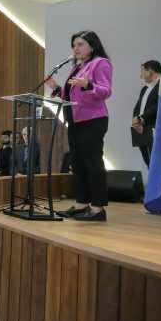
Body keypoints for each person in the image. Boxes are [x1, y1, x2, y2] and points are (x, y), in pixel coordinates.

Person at [46, 30, 113, 221]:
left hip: (92, 120)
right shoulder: (76, 67)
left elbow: (106, 91)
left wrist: (88, 85)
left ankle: (98, 208)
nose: (76, 48)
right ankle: (81, 204)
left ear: (92, 46)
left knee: (92, 163)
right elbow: (70, 96)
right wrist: (56, 88)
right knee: (78, 164)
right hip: (75, 121)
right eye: (74, 45)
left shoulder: (100, 63)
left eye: (80, 44)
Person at [131, 59, 161, 167]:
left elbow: (158, 106)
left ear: (150, 71)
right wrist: (136, 121)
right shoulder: (144, 89)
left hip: (155, 129)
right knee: (148, 162)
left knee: (156, 162)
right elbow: (137, 107)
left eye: (142, 72)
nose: (141, 76)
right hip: (141, 130)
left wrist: (141, 118)